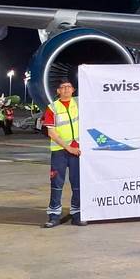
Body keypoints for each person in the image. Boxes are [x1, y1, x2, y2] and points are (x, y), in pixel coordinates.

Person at [42, 78, 85, 227]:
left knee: (78, 184)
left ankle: (77, 214)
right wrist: (69, 148)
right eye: (63, 87)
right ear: (58, 91)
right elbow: (51, 132)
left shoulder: (79, 103)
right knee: (56, 184)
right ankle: (54, 216)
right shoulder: (52, 107)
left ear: (73, 90)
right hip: (60, 151)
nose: (66, 89)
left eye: (69, 86)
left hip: (77, 150)